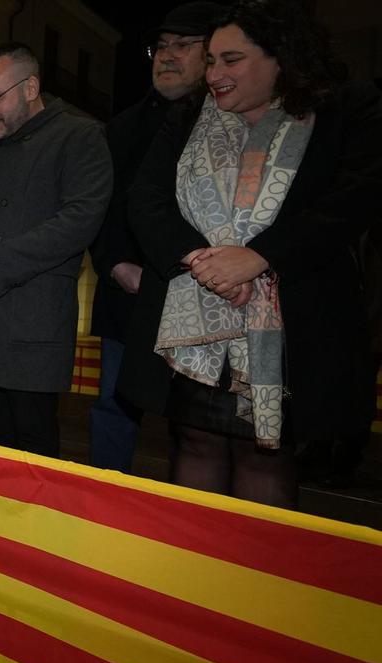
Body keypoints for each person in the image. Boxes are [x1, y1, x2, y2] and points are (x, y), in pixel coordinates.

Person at [118, 0, 382, 508]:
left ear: (280, 56)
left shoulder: (345, 110)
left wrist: (259, 256)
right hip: (194, 311)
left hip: (295, 319)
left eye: (230, 60)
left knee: (266, 452)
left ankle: (258, 580)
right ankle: (193, 570)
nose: (214, 73)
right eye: (212, 60)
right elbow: (146, 198)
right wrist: (201, 260)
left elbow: (353, 200)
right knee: (196, 438)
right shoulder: (188, 114)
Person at [0, 43, 112, 458]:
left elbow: (80, 219)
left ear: (31, 86)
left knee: (33, 441)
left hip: (32, 318)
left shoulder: (79, 136)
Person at [87, 3, 222, 474]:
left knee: (195, 422)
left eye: (182, 46)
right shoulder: (122, 126)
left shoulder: (225, 123)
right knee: (114, 407)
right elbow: (97, 208)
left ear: (212, 53)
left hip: (200, 296)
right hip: (127, 295)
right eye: (160, 47)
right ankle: (106, 507)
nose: (166, 56)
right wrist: (115, 264)